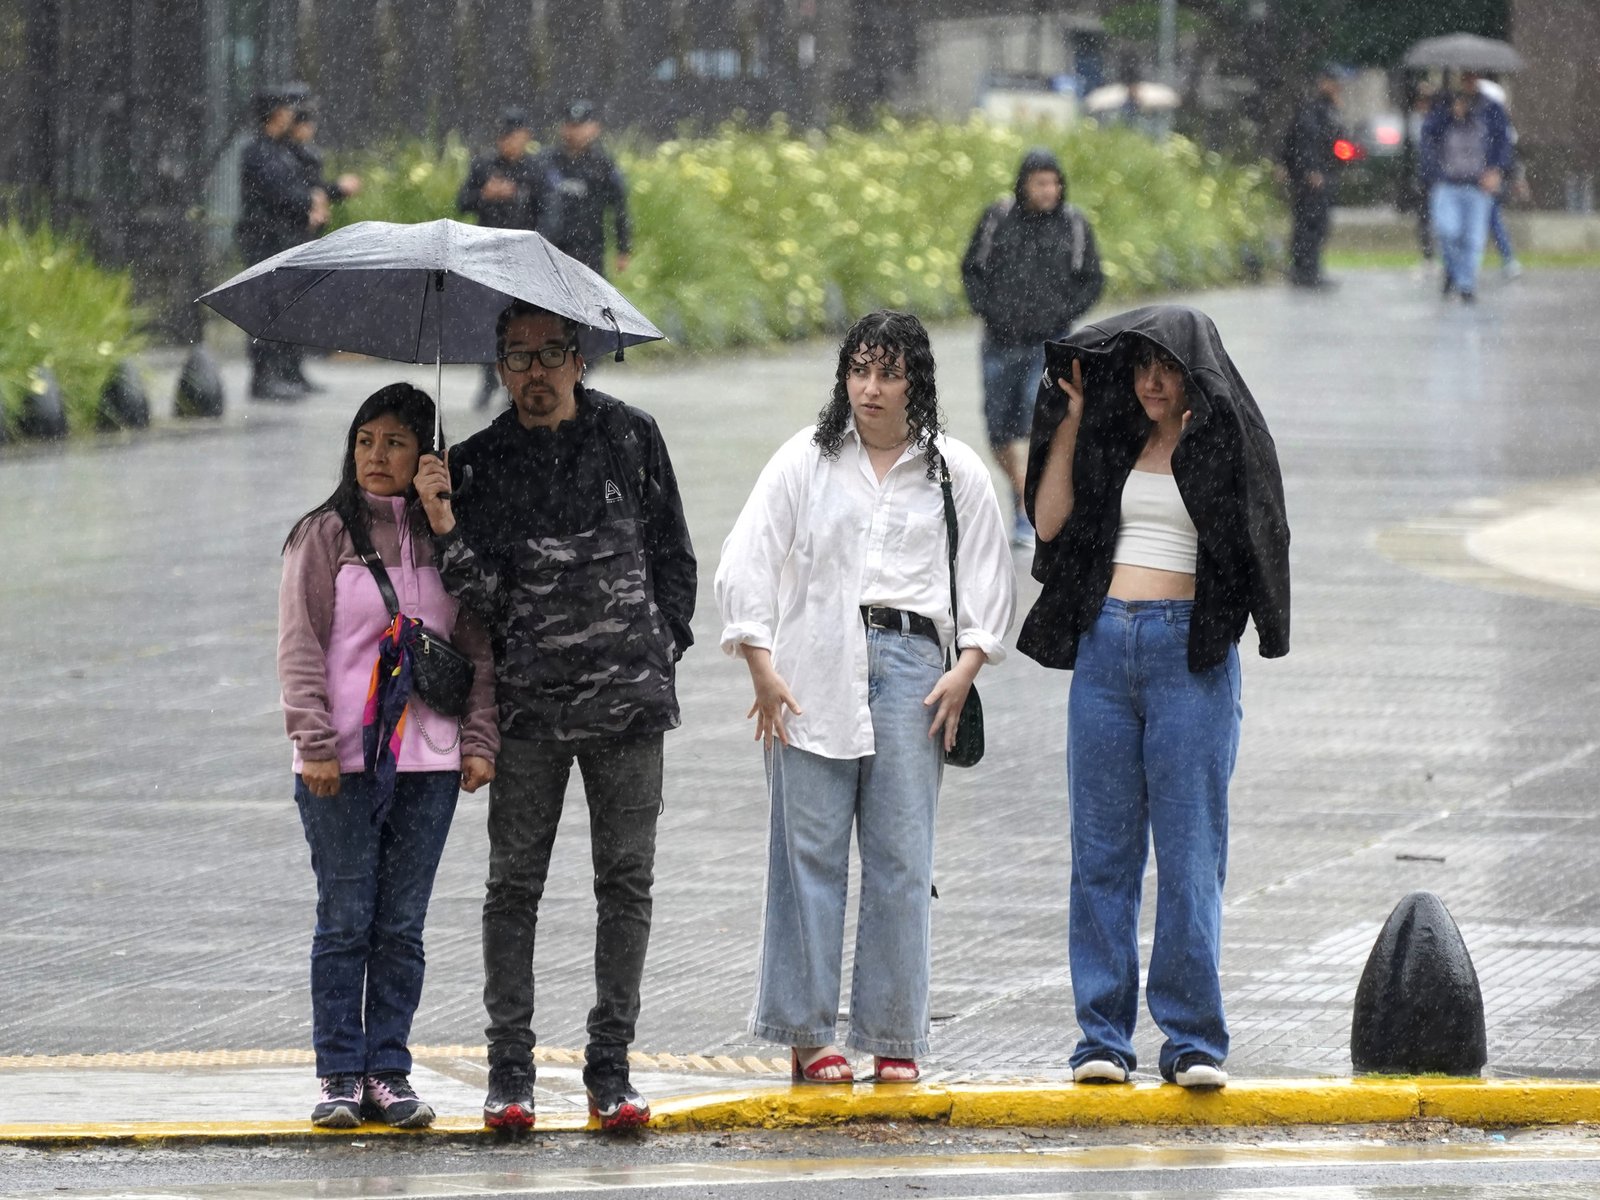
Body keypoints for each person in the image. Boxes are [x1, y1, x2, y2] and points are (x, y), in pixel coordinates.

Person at [413, 302, 695, 1133]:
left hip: (630, 712)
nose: (534, 373)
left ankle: (612, 1069)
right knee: (513, 889)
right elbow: (479, 595)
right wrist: (442, 520)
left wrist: (657, 642)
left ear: (580, 359)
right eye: (517, 357)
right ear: (499, 368)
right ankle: (511, 1074)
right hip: (528, 713)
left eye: (550, 354)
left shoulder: (632, 438)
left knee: (626, 886)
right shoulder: (477, 462)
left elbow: (674, 556)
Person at [715, 310, 1016, 1085]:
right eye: (859, 370)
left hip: (919, 673)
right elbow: (746, 558)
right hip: (811, 665)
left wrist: (968, 665)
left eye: (888, 373)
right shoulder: (804, 461)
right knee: (806, 857)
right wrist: (760, 662)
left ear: (917, 380)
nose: (870, 389)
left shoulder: (956, 470)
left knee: (901, 860)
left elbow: (988, 577)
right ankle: (808, 1033)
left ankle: (893, 1035)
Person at [1020, 305, 1289, 1090]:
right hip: (1106, 647)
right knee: (1101, 854)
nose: (1150, 382)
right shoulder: (1112, 441)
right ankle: (1100, 1038)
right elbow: (1048, 522)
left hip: (1187, 656)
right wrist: (1070, 419)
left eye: (1166, 368)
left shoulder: (1221, 444)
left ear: (1193, 373)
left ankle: (1193, 1040)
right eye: (1139, 368)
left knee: (1190, 853)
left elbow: (1261, 534)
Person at [278, 383, 499, 1129]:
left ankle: (389, 1072)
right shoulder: (324, 534)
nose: (377, 456)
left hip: (428, 765)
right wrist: (313, 742)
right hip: (339, 764)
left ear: (426, 454)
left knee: (400, 925)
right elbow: (300, 648)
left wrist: (478, 740)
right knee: (346, 920)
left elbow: (478, 646)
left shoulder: (450, 539)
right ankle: (340, 1073)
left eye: (397, 442)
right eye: (366, 439)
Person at [961, 148, 1103, 551]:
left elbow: (1092, 279)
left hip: (1048, 343)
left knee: (1040, 421)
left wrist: (1062, 313)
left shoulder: (1074, 225)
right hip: (998, 342)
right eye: (1041, 182)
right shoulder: (997, 218)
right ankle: (1024, 496)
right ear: (1024, 184)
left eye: (1055, 182)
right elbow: (971, 268)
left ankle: (1038, 509)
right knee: (997, 426)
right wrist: (989, 309)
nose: (1050, 190)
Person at [457, 108, 562, 408]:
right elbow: (463, 202)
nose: (510, 143)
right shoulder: (484, 165)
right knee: (488, 322)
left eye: (515, 137)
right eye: (505, 137)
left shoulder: (538, 169)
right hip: (488, 254)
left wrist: (536, 245)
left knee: (521, 323)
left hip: (523, 256)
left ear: (525, 137)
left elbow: (550, 212)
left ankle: (514, 381)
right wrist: (485, 195)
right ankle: (488, 380)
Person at [237, 83, 320, 400]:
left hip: (279, 238)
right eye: (285, 111)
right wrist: (307, 202)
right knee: (264, 310)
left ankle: (279, 373)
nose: (290, 117)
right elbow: (279, 191)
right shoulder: (257, 151)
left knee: (280, 308)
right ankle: (262, 377)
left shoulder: (280, 151)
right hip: (262, 239)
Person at [281, 101, 364, 395]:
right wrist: (318, 199)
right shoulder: (277, 154)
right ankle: (280, 371)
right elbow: (294, 192)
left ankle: (293, 369)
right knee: (282, 307)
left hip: (303, 234)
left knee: (298, 307)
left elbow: (312, 190)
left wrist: (327, 195)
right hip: (285, 237)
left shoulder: (301, 154)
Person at [1420, 72, 1513, 303]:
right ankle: (1456, 273)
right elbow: (1428, 136)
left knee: (1473, 239)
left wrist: (1496, 170)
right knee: (1446, 232)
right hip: (1448, 182)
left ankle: (1466, 285)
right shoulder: (1444, 108)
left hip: (1478, 184)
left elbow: (1503, 141)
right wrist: (1451, 116)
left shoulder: (1490, 109)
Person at [537, 100, 631, 278]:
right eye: (571, 126)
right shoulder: (546, 161)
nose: (576, 132)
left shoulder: (604, 165)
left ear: (595, 128)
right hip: (549, 247)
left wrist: (623, 248)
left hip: (589, 249)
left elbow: (620, 208)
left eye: (581, 126)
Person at [1279, 67, 1345, 289]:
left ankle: (1308, 268)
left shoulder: (1329, 111)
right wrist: (1310, 170)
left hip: (1324, 176)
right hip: (1312, 180)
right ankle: (1305, 270)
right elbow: (1304, 142)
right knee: (1309, 224)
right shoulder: (1312, 111)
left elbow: (1338, 143)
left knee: (1316, 224)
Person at [1475, 76, 1526, 280]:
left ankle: (1506, 258)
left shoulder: (1497, 123)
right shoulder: (1492, 121)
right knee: (1490, 219)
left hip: (1489, 177)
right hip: (1481, 175)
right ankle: (1506, 258)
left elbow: (1507, 154)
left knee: (1491, 218)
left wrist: (1500, 173)